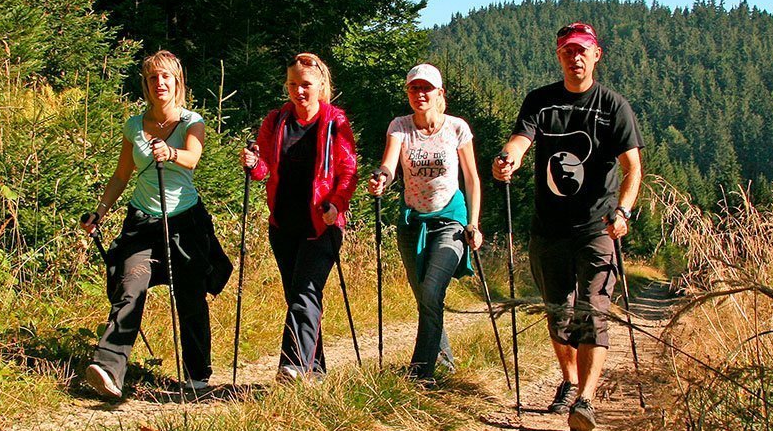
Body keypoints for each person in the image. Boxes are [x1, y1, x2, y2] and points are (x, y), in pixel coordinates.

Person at [492, 22, 643, 431]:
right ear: (559, 55)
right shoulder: (541, 101)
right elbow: (521, 140)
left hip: (597, 226)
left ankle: (586, 399)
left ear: (596, 55)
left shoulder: (613, 106)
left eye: (583, 51)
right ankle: (570, 379)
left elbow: (632, 168)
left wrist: (624, 211)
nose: (575, 58)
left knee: (593, 310)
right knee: (558, 313)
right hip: (549, 226)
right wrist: (508, 157)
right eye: (567, 51)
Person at [81, 50, 230, 398]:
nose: (159, 83)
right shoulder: (134, 126)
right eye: (152, 78)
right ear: (146, 84)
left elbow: (192, 158)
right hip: (142, 221)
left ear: (177, 82)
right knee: (129, 287)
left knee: (191, 296)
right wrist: (99, 212)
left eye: (166, 77)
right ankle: (109, 370)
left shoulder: (192, 121)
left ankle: (197, 375)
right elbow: (121, 175)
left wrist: (171, 153)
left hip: (186, 221)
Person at [240, 53, 358, 381]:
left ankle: (291, 366)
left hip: (323, 225)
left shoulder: (335, 121)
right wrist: (252, 164)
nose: (299, 91)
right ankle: (316, 373)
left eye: (306, 85)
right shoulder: (276, 121)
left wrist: (337, 204)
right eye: (293, 84)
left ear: (321, 86)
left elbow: (349, 171)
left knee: (305, 293)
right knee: (299, 299)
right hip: (283, 226)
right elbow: (263, 171)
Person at [368, 63, 482, 379]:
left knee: (432, 291)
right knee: (425, 298)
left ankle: (421, 371)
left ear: (439, 93)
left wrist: (473, 222)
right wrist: (382, 178)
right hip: (412, 222)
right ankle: (443, 361)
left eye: (426, 88)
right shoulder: (400, 126)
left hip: (451, 220)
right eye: (414, 88)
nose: (420, 94)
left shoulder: (457, 128)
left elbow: (471, 178)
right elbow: (389, 164)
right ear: (408, 93)